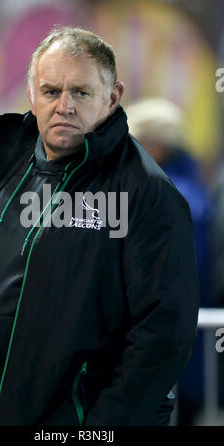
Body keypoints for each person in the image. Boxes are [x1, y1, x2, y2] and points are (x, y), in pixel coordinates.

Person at [0, 26, 199, 426]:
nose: (64, 105)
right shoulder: (13, 164)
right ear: (32, 95)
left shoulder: (147, 192)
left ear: (113, 97)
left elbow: (163, 337)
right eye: (51, 91)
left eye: (81, 92)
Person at [126, 97, 212, 425]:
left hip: (169, 358)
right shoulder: (191, 191)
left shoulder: (169, 196)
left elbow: (172, 282)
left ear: (157, 146)